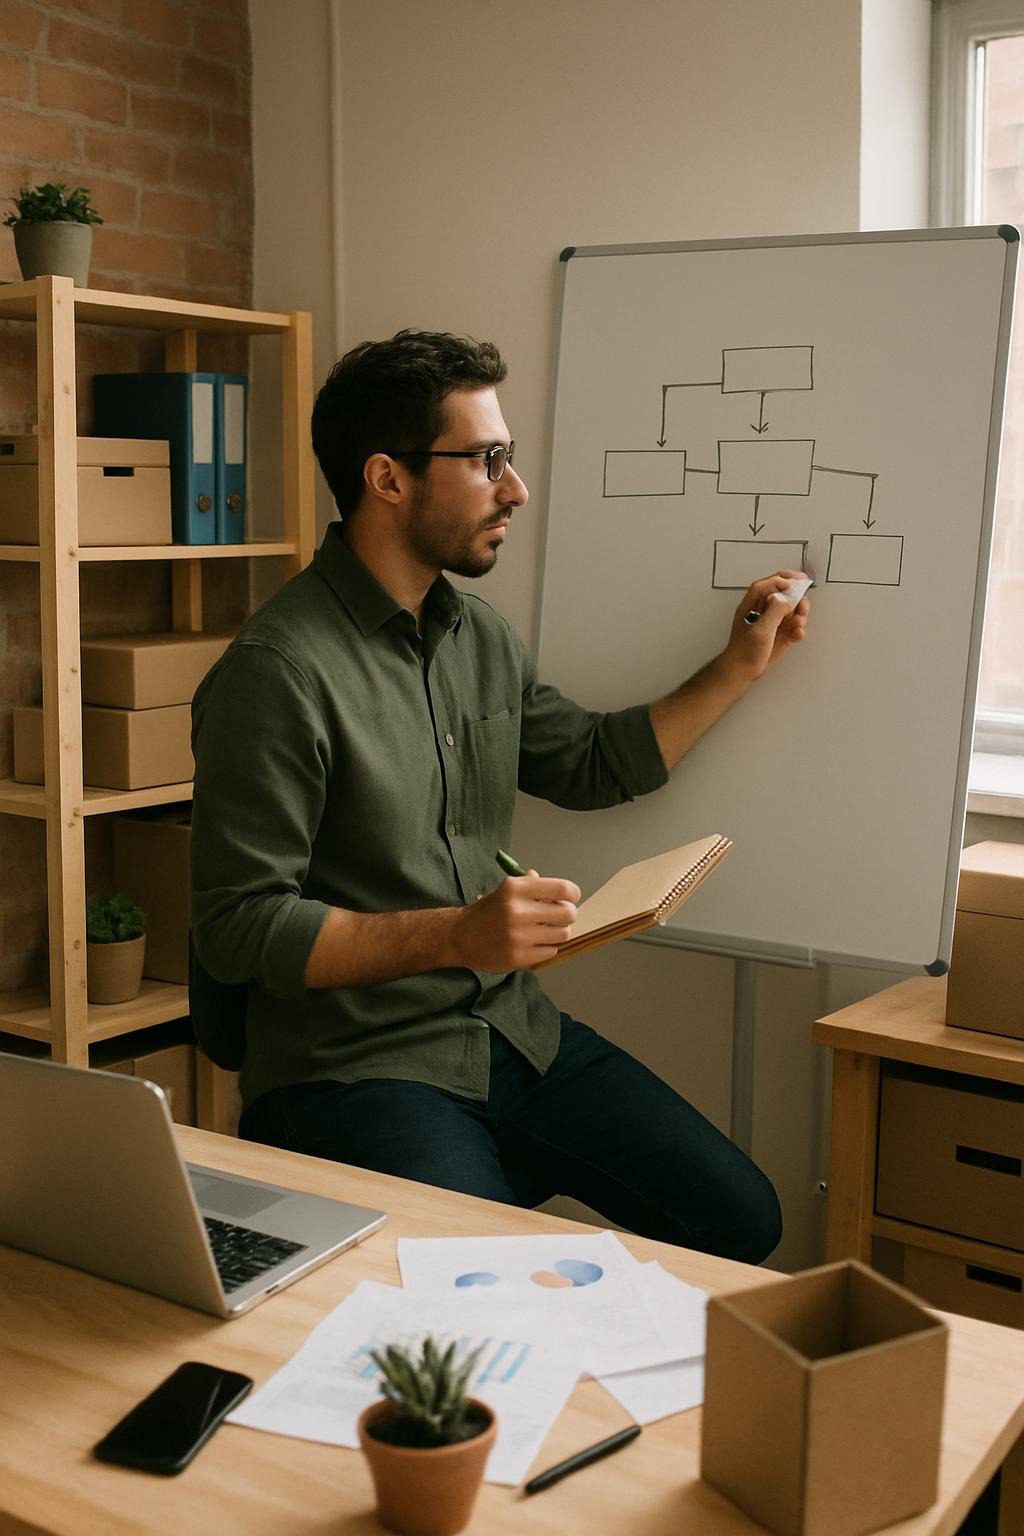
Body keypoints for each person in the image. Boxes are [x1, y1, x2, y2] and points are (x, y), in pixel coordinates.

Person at [190, 329, 810, 1264]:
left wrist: (739, 664)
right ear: (388, 478)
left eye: (506, 458)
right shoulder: (277, 672)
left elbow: (591, 764)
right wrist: (455, 934)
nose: (514, 488)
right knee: (475, 1285)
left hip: (510, 1031)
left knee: (739, 1218)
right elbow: (238, 927)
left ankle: (484, 1184)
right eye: (486, 460)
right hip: (356, 1066)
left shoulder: (477, 635)